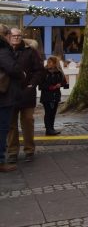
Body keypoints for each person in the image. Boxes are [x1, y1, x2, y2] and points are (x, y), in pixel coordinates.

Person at [6, 27, 45, 164]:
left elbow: (39, 71)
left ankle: (29, 150)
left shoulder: (30, 52)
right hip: (9, 94)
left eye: (18, 36)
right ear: (8, 37)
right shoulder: (5, 52)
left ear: (21, 37)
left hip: (26, 93)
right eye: (13, 36)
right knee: (11, 124)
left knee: (28, 122)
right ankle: (12, 152)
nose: (16, 38)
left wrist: (32, 85)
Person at [0, 25, 24, 172]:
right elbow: (13, 69)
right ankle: (1, 161)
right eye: (10, 35)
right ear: (6, 35)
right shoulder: (3, 50)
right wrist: (22, 74)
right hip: (4, 96)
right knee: (2, 129)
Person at [40, 56, 69, 136]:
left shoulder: (59, 73)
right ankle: (48, 129)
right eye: (48, 62)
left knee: (53, 113)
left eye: (50, 62)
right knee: (48, 112)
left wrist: (60, 85)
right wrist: (50, 87)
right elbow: (40, 85)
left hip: (56, 96)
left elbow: (65, 84)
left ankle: (51, 128)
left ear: (55, 63)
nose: (48, 64)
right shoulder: (44, 72)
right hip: (46, 96)